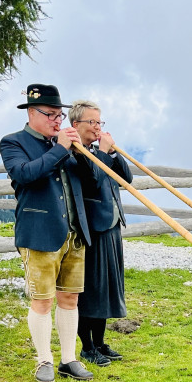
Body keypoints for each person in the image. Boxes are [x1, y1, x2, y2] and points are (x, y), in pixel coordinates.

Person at [0, 83, 97, 382]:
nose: (58, 120)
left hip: (73, 232)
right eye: (51, 114)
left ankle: (69, 359)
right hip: (40, 232)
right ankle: (44, 360)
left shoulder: (66, 144)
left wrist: (80, 151)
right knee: (42, 300)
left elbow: (92, 182)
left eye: (60, 115)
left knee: (70, 298)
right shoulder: (13, 142)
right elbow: (25, 175)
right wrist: (60, 149)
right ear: (32, 112)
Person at [68, 99, 133, 366]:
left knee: (107, 287)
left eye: (99, 122)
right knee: (92, 289)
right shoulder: (75, 152)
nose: (97, 127)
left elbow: (126, 178)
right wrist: (104, 153)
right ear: (76, 124)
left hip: (112, 225)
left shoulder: (99, 150)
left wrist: (114, 152)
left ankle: (101, 342)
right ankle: (87, 346)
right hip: (93, 227)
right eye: (92, 122)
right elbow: (93, 178)